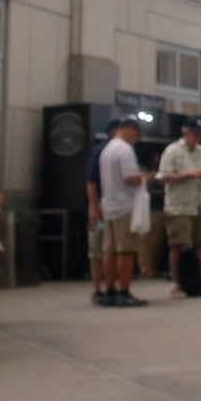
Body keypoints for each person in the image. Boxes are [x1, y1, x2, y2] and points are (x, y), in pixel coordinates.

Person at [96, 117, 151, 308]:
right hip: (124, 207)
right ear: (129, 130)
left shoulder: (107, 149)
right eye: (136, 135)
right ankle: (124, 291)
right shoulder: (125, 150)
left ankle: (109, 291)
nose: (135, 139)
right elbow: (130, 178)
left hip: (108, 206)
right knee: (126, 252)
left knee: (109, 252)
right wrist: (145, 177)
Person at [159, 118, 201, 298]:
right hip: (178, 206)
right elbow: (163, 176)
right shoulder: (172, 151)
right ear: (186, 133)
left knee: (200, 244)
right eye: (195, 133)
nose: (198, 137)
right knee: (178, 245)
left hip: (199, 205)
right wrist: (187, 175)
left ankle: (195, 281)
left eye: (200, 134)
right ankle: (177, 283)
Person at [84, 118, 121, 305]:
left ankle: (110, 287)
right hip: (100, 205)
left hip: (112, 205)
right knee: (98, 249)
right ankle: (98, 288)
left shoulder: (120, 150)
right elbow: (91, 182)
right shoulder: (101, 150)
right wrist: (94, 207)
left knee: (111, 249)